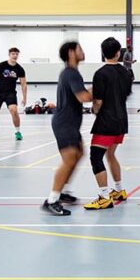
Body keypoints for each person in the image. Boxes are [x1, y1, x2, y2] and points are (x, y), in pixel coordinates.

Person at [42, 41, 93, 216]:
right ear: (71, 53)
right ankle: (52, 200)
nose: (83, 51)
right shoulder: (71, 73)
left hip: (70, 122)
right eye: (80, 48)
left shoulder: (72, 73)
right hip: (65, 122)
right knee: (70, 158)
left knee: (79, 154)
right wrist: (101, 88)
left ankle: (63, 191)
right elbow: (84, 97)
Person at [84, 37, 134, 210]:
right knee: (110, 154)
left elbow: (98, 101)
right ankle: (119, 190)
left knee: (95, 156)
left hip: (107, 121)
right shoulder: (127, 73)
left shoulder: (100, 74)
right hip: (122, 120)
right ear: (118, 53)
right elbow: (126, 93)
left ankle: (104, 196)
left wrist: (94, 110)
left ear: (102, 53)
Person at [0, 47, 28, 141]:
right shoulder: (1, 66)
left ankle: (18, 132)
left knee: (14, 110)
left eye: (17, 54)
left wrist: (24, 98)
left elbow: (24, 84)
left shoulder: (19, 69)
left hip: (10, 93)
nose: (15, 56)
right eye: (13, 54)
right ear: (9, 55)